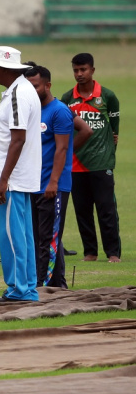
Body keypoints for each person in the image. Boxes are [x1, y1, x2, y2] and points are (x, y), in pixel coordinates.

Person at [0, 46, 42, 302]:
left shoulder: (18, 94)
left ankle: (20, 289)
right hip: (15, 178)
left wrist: (3, 180)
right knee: (22, 235)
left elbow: (18, 139)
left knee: (12, 236)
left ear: (6, 68)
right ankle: (26, 286)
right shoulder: (19, 90)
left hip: (11, 181)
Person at [25, 62, 93, 288]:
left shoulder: (59, 111)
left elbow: (63, 148)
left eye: (35, 86)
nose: (32, 91)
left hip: (52, 186)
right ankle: (58, 285)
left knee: (48, 239)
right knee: (39, 237)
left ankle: (42, 286)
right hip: (33, 184)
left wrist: (54, 181)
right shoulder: (32, 110)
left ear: (48, 85)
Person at [61, 53, 121, 263]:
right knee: (82, 211)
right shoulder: (67, 99)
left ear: (92, 70)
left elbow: (114, 132)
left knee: (106, 209)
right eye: (76, 70)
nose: (79, 74)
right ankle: (90, 252)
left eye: (83, 69)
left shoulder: (107, 96)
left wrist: (107, 152)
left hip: (101, 163)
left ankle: (113, 253)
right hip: (75, 164)